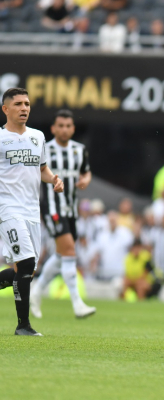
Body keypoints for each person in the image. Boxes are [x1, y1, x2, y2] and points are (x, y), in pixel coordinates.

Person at [0, 87, 64, 336]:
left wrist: (54, 180)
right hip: (7, 208)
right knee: (25, 262)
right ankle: (22, 326)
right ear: (6, 109)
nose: (24, 108)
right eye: (18, 104)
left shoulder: (38, 137)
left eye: (26, 104)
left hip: (30, 210)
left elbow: (43, 170)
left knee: (24, 270)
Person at [30, 110, 96, 319]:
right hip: (52, 208)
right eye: (61, 125)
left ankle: (37, 290)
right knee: (69, 251)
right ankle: (77, 304)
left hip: (71, 209)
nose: (65, 129)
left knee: (61, 255)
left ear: (73, 128)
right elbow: (35, 173)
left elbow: (86, 171)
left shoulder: (80, 150)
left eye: (68, 126)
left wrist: (86, 180)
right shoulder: (44, 149)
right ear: (53, 128)